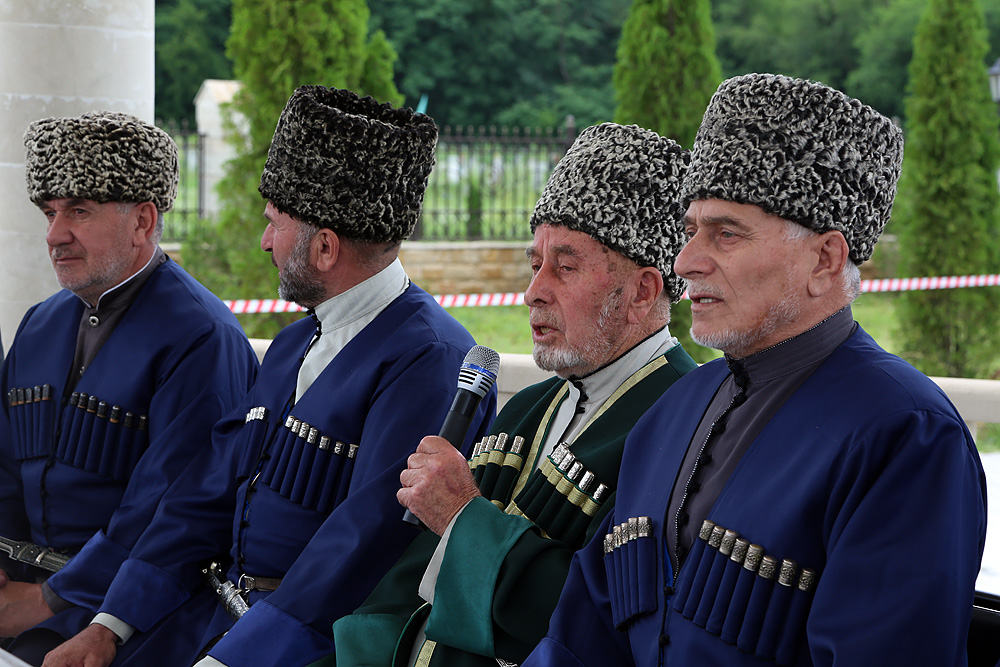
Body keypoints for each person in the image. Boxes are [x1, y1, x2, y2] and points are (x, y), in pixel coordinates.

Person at [523, 73, 987, 667]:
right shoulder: (674, 411)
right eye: (690, 231)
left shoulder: (906, 436)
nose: (686, 261)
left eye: (726, 234)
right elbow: (584, 635)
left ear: (825, 260)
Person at [40, 85, 497, 667]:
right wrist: (110, 625)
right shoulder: (291, 345)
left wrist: (234, 658)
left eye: (274, 224)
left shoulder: (429, 360)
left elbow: (362, 548)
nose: (263, 243)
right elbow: (205, 494)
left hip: (307, 650)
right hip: (212, 623)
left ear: (325, 248)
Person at [327, 122, 699, 667]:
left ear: (642, 291)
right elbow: (405, 593)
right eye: (535, 265)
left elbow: (605, 617)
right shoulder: (529, 407)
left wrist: (463, 518)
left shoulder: (683, 422)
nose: (533, 291)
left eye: (565, 268)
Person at [0, 112, 259, 662]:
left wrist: (49, 600)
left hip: (134, 610)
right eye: (49, 213)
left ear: (143, 220)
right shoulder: (39, 324)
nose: (54, 235)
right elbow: (3, 466)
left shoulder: (201, 337)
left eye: (79, 211)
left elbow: (176, 506)